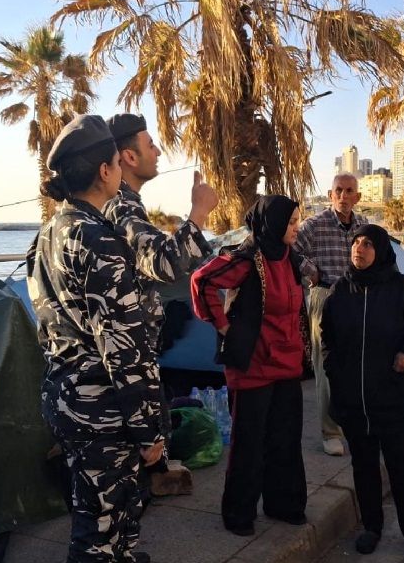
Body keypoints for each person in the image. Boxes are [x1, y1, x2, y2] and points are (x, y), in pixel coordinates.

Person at [27, 115, 162, 563]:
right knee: (100, 528)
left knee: (115, 512)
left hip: (67, 397)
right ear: (105, 171)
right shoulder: (97, 238)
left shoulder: (50, 232)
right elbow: (123, 348)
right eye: (116, 164)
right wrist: (148, 429)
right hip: (103, 410)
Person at [103, 113, 218, 496]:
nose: (158, 151)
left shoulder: (123, 205)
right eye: (150, 144)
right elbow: (165, 264)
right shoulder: (121, 207)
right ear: (128, 157)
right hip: (126, 360)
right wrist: (199, 213)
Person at [191, 196, 308, 536]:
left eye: (297, 221)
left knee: (285, 439)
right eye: (291, 222)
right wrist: (224, 326)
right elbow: (202, 281)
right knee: (249, 445)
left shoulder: (291, 257)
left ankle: (283, 505)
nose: (296, 227)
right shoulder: (246, 259)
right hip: (253, 367)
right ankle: (239, 514)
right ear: (273, 224)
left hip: (288, 365)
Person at [321, 224, 404, 558]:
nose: (359, 248)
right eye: (356, 242)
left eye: (368, 244)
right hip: (354, 401)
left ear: (381, 250)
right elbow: (327, 336)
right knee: (364, 467)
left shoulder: (399, 288)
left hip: (393, 398)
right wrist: (333, 368)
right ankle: (371, 526)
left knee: (402, 468)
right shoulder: (340, 290)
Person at [295, 174, 369, 456]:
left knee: (358, 364)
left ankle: (355, 423)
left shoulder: (364, 226)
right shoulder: (314, 225)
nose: (343, 196)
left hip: (358, 298)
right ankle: (330, 432)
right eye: (339, 190)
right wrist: (310, 270)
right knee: (327, 368)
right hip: (325, 297)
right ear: (330, 194)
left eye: (349, 191)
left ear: (357, 197)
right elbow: (290, 251)